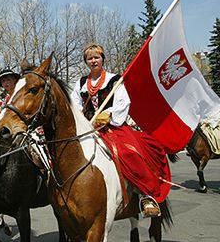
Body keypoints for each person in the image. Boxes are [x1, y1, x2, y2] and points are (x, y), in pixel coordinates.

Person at [71, 43, 171, 217]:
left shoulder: (114, 80)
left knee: (129, 152)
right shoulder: (80, 83)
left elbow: (123, 102)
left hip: (112, 126)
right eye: (90, 58)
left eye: (96, 57)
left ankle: (146, 194)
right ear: (86, 61)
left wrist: (108, 114)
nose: (93, 61)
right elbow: (75, 104)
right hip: (88, 127)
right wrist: (80, 117)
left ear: (102, 59)